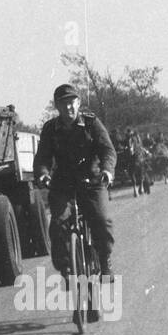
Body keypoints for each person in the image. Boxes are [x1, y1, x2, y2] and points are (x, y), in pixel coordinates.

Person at [33, 83, 117, 279]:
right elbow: (42, 158)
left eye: (72, 103)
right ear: (57, 107)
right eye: (63, 104)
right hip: (63, 185)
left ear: (78, 103)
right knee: (57, 225)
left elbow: (108, 150)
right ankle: (67, 266)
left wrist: (107, 170)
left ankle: (105, 260)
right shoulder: (50, 128)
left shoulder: (91, 123)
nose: (68, 108)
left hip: (92, 181)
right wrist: (43, 173)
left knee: (103, 221)